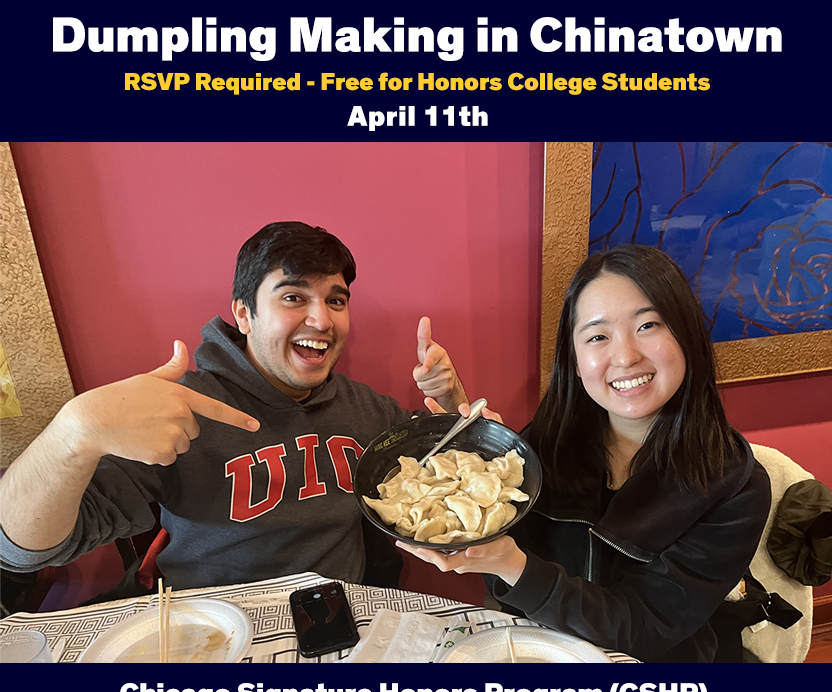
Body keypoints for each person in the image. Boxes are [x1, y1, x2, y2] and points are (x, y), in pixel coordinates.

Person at [0, 222, 468, 591]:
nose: (322, 319)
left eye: (336, 299)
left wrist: (451, 399)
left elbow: (456, 467)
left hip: (336, 621)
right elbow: (24, 551)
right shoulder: (176, 410)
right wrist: (74, 432)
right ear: (244, 313)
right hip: (209, 626)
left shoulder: (367, 410)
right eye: (293, 297)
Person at [400, 244, 771, 663]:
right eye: (597, 336)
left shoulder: (734, 486)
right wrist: (472, 442)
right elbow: (501, 539)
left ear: (686, 336)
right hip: (539, 651)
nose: (626, 356)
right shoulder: (548, 443)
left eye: (648, 325)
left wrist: (514, 567)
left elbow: (646, 626)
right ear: (575, 361)